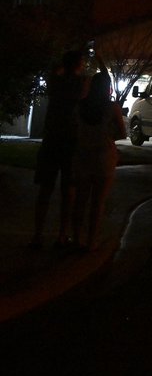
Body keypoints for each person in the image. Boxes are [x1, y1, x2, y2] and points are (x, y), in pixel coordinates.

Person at [30, 50, 87, 249]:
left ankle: (38, 235)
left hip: (52, 140)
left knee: (46, 189)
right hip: (70, 141)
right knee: (68, 191)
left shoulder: (56, 83)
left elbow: (53, 70)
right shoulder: (80, 85)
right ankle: (62, 235)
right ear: (78, 64)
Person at [72, 70, 126, 251]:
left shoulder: (80, 106)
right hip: (103, 155)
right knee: (97, 202)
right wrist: (107, 135)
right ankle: (91, 241)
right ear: (107, 87)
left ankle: (76, 237)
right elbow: (122, 133)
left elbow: (74, 129)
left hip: (82, 155)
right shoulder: (111, 108)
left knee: (81, 200)